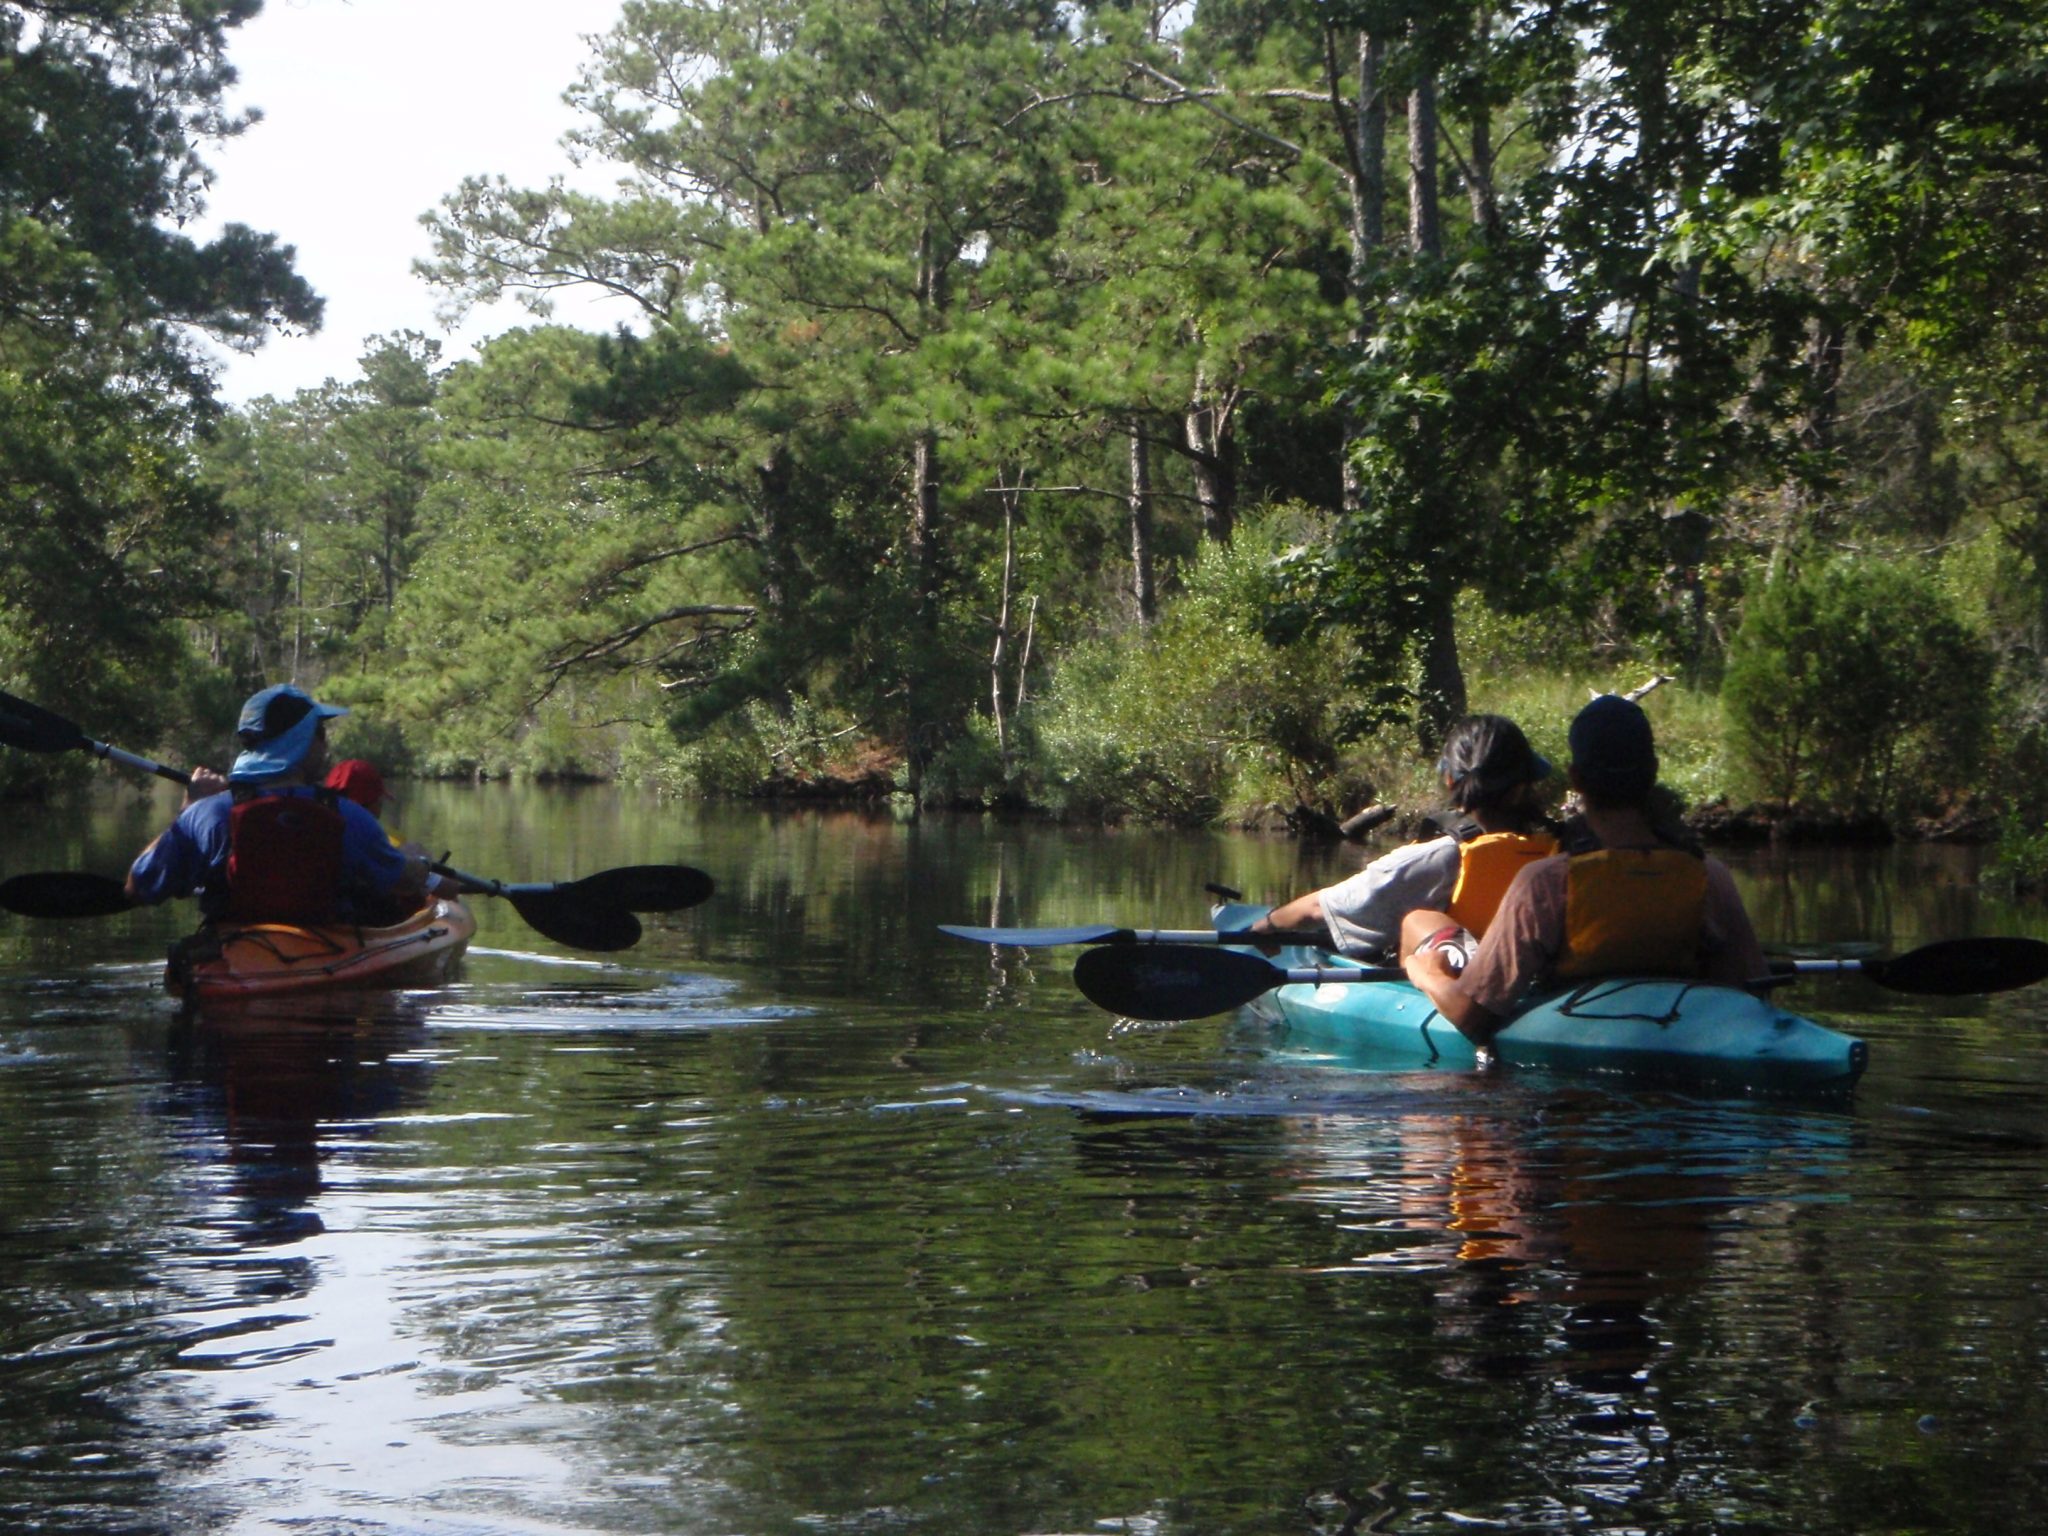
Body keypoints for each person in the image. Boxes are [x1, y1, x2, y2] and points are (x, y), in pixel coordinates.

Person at [1400, 693, 1768, 1047]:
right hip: (1680, 1037)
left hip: (1572, 1074)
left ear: (1576, 779)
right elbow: (1751, 988)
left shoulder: (1546, 883)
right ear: (1653, 772)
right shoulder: (1707, 874)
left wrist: (1424, 972)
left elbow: (1472, 1016)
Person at [1245, 714, 1558, 958]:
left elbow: (1321, 909)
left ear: (1450, 780)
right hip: (1541, 983)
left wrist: (1268, 925)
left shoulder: (1440, 856)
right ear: (1524, 785)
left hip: (1459, 984)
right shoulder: (1560, 848)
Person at [126, 685, 431, 926]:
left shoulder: (207, 815)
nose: (324, 746)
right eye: (319, 734)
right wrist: (416, 861)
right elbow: (405, 882)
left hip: (231, 957)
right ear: (304, 741)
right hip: (326, 950)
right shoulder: (349, 816)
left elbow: (139, 887)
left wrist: (187, 811)